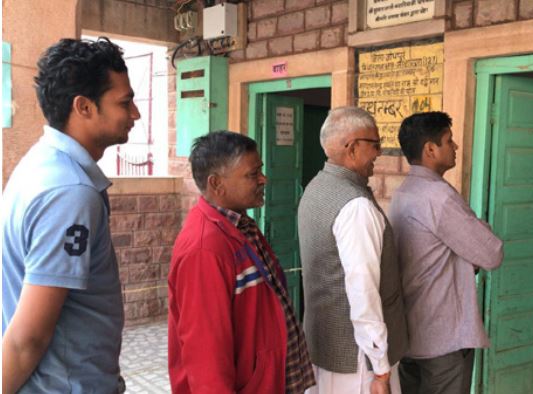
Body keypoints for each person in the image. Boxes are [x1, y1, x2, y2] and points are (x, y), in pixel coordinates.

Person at [2, 37, 140, 393]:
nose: (135, 114)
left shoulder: (41, 162)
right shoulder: (70, 192)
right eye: (125, 102)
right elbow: (27, 338)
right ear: (84, 107)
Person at [168, 131, 315, 393]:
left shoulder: (240, 224)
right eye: (252, 174)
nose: (263, 179)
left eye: (260, 170)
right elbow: (205, 354)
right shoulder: (206, 248)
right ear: (216, 184)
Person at [388, 111, 503, 393]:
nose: (456, 147)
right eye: (449, 140)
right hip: (442, 335)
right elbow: (491, 253)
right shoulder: (438, 196)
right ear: (430, 149)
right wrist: (476, 231)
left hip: (410, 330)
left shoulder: (405, 191)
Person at [297, 107, 408, 394]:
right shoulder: (355, 206)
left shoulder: (316, 187)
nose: (379, 152)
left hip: (325, 347)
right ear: (352, 147)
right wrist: (380, 369)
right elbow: (363, 291)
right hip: (358, 361)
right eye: (375, 144)